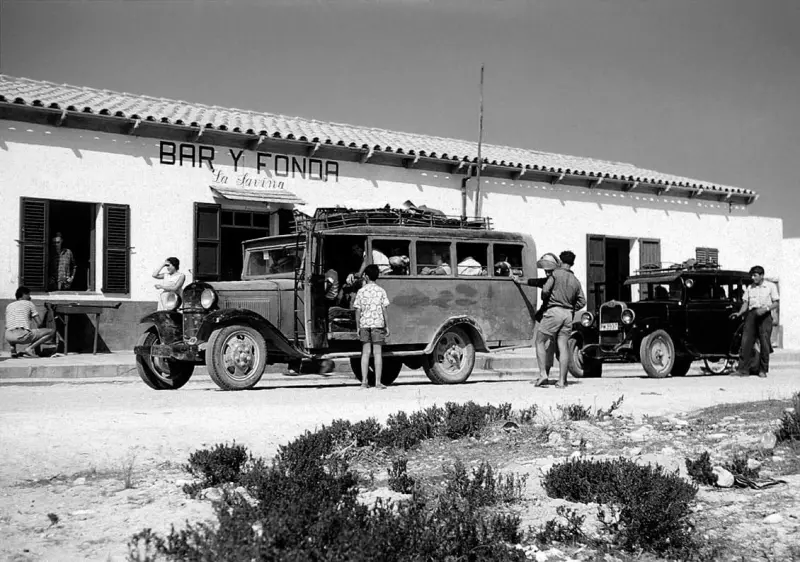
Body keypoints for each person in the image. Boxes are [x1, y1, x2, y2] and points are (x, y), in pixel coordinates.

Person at [516, 250, 586, 388]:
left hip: (554, 312)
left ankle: (543, 374)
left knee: (540, 341)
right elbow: (582, 302)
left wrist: (545, 297)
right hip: (568, 315)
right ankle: (562, 381)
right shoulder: (576, 281)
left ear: (560, 261)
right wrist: (571, 308)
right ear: (572, 263)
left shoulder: (555, 274)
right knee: (563, 346)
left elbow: (546, 289)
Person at [513, 252, 561, 378]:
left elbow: (543, 289)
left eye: (549, 271)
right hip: (552, 316)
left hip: (549, 316)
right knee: (549, 346)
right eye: (546, 271)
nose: (547, 273)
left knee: (545, 344)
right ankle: (548, 373)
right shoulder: (551, 280)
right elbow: (534, 281)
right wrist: (519, 280)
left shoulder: (554, 282)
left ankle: (544, 373)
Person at [730, 265, 779, 377]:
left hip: (765, 315)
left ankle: (763, 370)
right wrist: (740, 313)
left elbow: (776, 302)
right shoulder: (750, 288)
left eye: (755, 275)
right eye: (752, 275)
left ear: (762, 275)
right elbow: (745, 303)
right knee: (745, 342)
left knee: (764, 343)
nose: (753, 278)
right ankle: (743, 370)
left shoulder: (770, 286)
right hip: (752, 315)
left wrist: (766, 309)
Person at [353, 264, 390, 389]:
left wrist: (358, 326)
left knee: (365, 353)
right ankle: (378, 382)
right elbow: (384, 309)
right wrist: (387, 326)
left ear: (366, 276)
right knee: (378, 354)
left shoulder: (361, 291)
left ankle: (364, 382)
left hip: (364, 325)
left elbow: (357, 310)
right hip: (378, 325)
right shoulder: (381, 291)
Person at [5, 286, 56, 358]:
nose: (30, 297)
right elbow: (39, 323)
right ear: (23, 295)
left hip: (8, 336)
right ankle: (30, 348)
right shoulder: (29, 303)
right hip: (21, 335)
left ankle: (13, 350)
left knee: (12, 326)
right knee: (51, 331)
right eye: (28, 294)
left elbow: (7, 325)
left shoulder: (9, 306)